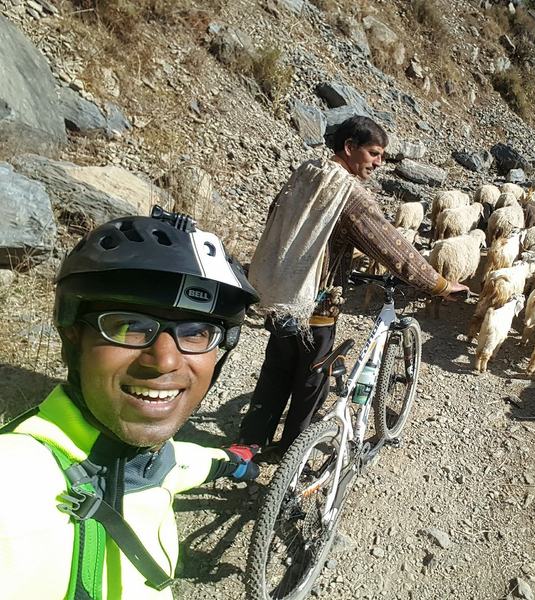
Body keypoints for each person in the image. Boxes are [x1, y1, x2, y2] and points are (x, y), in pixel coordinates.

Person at [0, 208, 261, 599]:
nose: (166, 361)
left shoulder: (157, 462)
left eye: (196, 332)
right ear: (73, 336)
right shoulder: (17, 482)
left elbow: (188, 463)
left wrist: (234, 460)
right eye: (129, 325)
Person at [235, 116, 468, 458]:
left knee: (275, 372)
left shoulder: (307, 171)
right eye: (374, 153)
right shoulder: (348, 194)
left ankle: (247, 446)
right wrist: (439, 283)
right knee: (313, 380)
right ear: (349, 147)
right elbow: (390, 246)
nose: (379, 162)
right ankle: (293, 458)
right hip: (315, 304)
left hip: (280, 292)